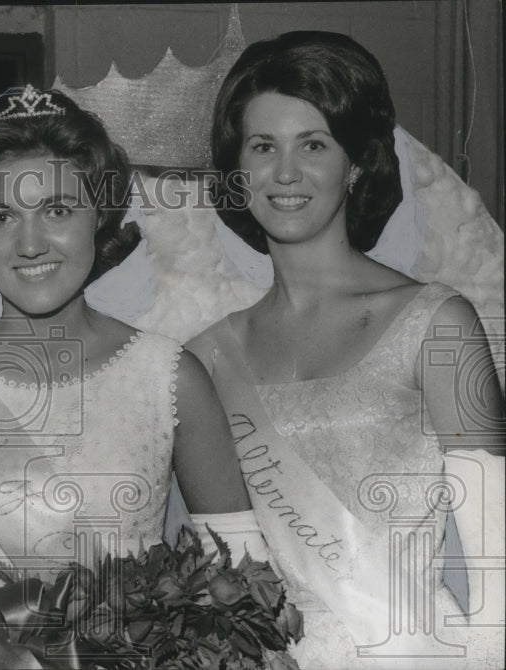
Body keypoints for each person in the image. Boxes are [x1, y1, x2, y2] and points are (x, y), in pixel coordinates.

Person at [0, 85, 265, 669]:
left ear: (98, 214)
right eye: (2, 216)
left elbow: (239, 572)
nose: (30, 244)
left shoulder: (170, 376)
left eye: (57, 211)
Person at [189, 31, 505, 669]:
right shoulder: (205, 360)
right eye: (263, 146)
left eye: (313, 144)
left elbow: (498, 569)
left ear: (356, 163)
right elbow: (231, 580)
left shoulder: (438, 325)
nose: (285, 172)